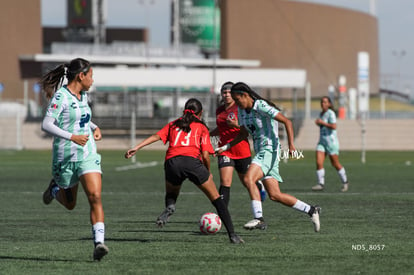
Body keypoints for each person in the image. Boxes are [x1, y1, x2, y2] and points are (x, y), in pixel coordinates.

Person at [125, 98, 244, 244]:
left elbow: (157, 136)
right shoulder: (201, 127)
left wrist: (136, 147)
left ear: (184, 111)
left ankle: (170, 207)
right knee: (217, 200)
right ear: (200, 113)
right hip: (192, 163)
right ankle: (232, 235)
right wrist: (207, 171)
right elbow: (205, 154)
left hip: (172, 163)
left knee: (172, 192)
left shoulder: (174, 124)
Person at [216, 82, 321, 232]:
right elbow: (243, 134)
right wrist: (225, 147)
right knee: (275, 195)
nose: (236, 103)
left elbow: (287, 122)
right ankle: (312, 210)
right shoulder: (243, 110)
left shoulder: (261, 106)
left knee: (248, 179)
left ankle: (259, 218)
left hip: (269, 150)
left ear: (245, 96)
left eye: (237, 99)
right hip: (261, 152)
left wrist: (291, 145)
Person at [40, 58, 109, 261]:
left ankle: (99, 244)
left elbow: (81, 117)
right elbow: (47, 124)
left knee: (95, 196)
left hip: (87, 154)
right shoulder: (61, 96)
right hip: (65, 157)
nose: (93, 80)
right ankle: (54, 189)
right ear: (81, 76)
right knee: (70, 204)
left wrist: (94, 127)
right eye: (91, 75)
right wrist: (72, 137)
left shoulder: (83, 95)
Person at [210, 82, 266, 230]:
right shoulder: (219, 110)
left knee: (248, 182)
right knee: (225, 182)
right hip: (225, 150)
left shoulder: (240, 108)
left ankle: (259, 199)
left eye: (229, 92)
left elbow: (245, 131)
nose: (226, 95)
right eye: (224, 92)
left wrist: (235, 125)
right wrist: (209, 134)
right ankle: (222, 217)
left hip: (241, 151)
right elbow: (221, 128)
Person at [312, 96, 349, 192]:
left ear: (329, 104)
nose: (323, 104)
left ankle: (345, 182)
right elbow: (323, 125)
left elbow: (334, 126)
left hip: (331, 142)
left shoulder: (331, 113)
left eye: (325, 102)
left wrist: (322, 123)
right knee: (319, 162)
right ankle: (321, 184)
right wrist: (319, 123)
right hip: (322, 142)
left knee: (335, 163)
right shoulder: (322, 113)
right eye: (322, 102)